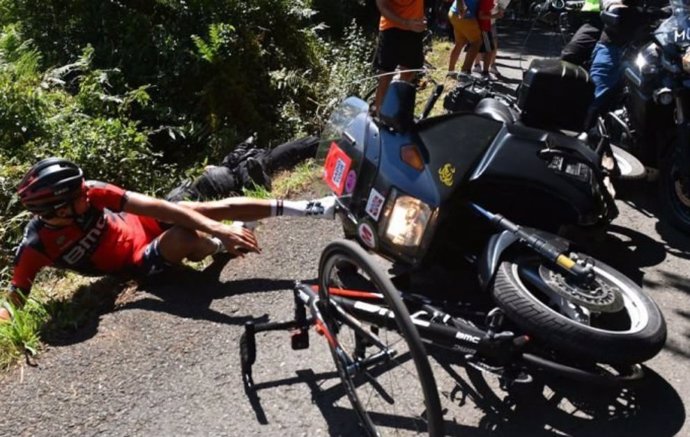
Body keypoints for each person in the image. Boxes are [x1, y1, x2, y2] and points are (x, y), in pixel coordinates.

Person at [0, 157, 337, 322]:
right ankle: (219, 247)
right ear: (57, 210)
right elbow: (12, 303)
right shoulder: (36, 247)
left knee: (195, 208)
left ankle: (313, 208)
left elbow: (159, 206)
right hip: (137, 260)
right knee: (184, 236)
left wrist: (221, 225)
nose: (85, 197)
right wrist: (219, 236)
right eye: (76, 197)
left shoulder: (92, 192)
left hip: (140, 223)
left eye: (83, 190)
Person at [373, 0, 427, 114]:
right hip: (391, 28)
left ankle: (395, 112)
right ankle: (379, 117)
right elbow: (382, 6)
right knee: (385, 77)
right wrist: (406, 23)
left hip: (414, 29)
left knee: (409, 74)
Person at [447, 0, 482, 77]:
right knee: (476, 42)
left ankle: (450, 71)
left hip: (454, 13)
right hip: (466, 16)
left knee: (459, 43)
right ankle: (465, 72)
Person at [472, 0, 504, 79]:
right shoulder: (487, 1)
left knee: (490, 48)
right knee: (488, 50)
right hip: (483, 28)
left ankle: (487, 69)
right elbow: (481, 15)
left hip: (487, 26)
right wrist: (495, 15)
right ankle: (485, 72)